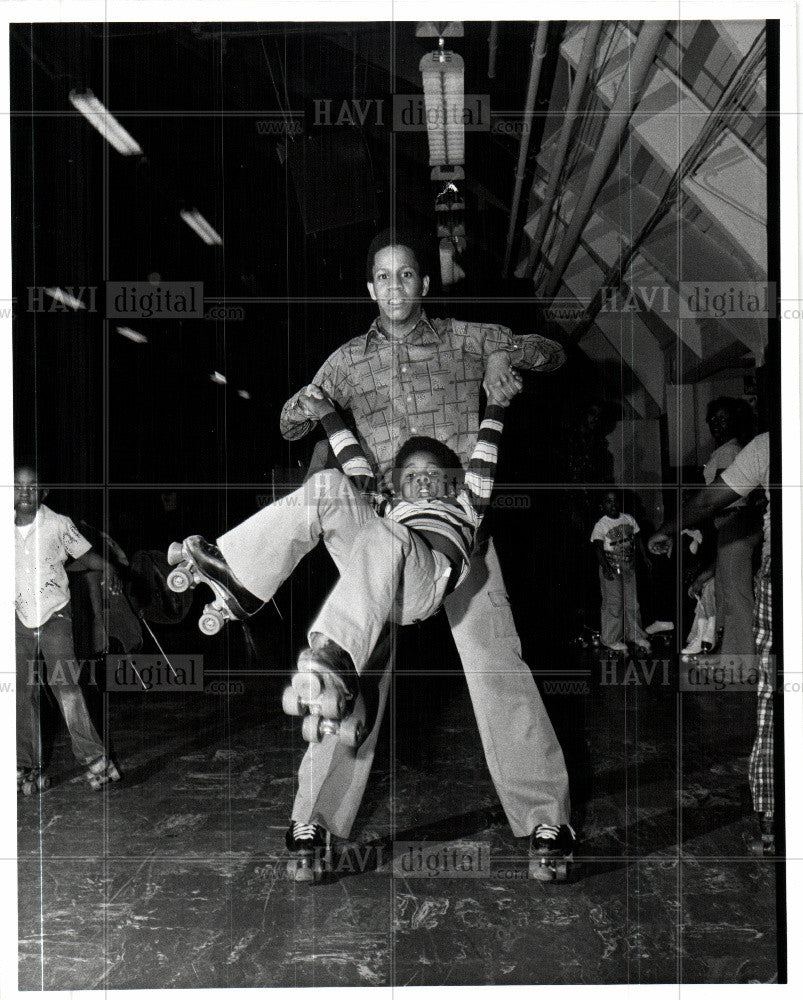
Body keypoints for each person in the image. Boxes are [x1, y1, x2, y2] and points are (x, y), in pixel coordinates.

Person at [194, 230, 575, 881]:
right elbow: (291, 421)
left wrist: (504, 357)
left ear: (422, 284)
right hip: (380, 532)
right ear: (371, 288)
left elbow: (550, 354)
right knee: (351, 670)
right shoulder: (345, 360)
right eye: (383, 277)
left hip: (459, 535)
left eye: (406, 276)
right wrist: (306, 405)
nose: (395, 287)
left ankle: (546, 815)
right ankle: (313, 818)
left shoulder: (467, 336)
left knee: (496, 667)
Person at [171, 362, 519, 878]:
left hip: (424, 582)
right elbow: (355, 463)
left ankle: (334, 660)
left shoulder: (467, 501)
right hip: (377, 576)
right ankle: (240, 578)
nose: (422, 484)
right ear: (397, 485)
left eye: (433, 479)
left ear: (451, 484)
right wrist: (328, 415)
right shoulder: (387, 507)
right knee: (331, 484)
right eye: (411, 479)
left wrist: (497, 403)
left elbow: (485, 453)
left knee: (387, 534)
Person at [648, 432, 773, 854]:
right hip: (753, 546)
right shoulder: (763, 448)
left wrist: (667, 527)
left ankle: (774, 816)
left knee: (774, 704)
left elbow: (707, 500)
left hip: (773, 560)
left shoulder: (765, 444)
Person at [15, 464, 122, 793]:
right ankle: (25, 765)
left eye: (32, 486)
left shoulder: (59, 524)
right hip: (17, 617)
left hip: (55, 615)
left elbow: (85, 556)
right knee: (21, 693)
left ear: (43, 492)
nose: (25, 492)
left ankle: (94, 760)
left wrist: (106, 565)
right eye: (19, 486)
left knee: (66, 686)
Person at [703, 397, 759, 656]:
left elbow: (719, 493)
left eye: (722, 419)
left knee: (735, 596)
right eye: (712, 420)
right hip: (729, 524)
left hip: (734, 521)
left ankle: (743, 661)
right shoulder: (726, 449)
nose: (716, 424)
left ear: (735, 421)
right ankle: (732, 659)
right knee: (727, 594)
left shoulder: (728, 451)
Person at [590, 491, 652, 653]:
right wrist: (605, 567)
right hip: (610, 567)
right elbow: (597, 547)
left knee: (633, 602)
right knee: (614, 603)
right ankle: (611, 639)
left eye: (615, 501)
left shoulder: (629, 519)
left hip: (629, 567)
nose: (613, 505)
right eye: (608, 502)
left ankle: (636, 634)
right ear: (602, 506)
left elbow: (638, 539)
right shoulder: (601, 525)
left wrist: (645, 558)